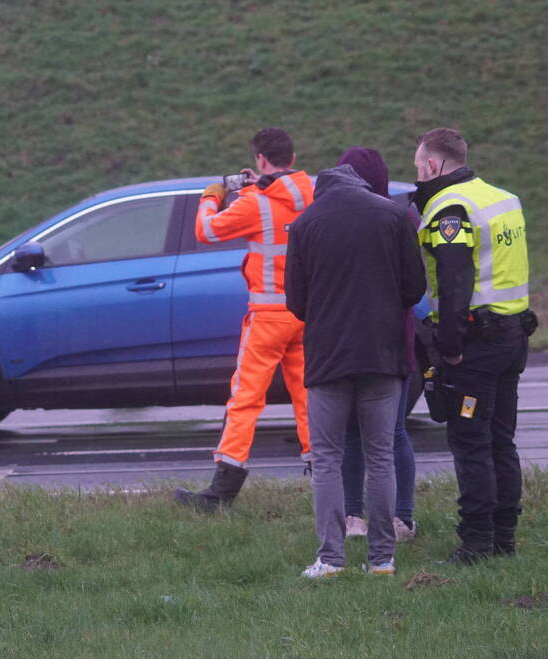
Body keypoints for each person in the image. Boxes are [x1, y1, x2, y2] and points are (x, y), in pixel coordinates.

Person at [285, 162, 426, 578]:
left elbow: (296, 300)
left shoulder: (305, 223)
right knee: (381, 454)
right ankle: (382, 559)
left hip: (328, 356)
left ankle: (331, 559)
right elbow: (414, 289)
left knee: (327, 457)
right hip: (383, 353)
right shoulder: (392, 214)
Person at [174, 128, 314, 511]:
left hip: (268, 317)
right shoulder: (313, 195)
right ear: (293, 158)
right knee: (308, 397)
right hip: (307, 314)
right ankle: (327, 480)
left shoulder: (256, 203)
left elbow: (206, 231)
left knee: (246, 399)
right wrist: (261, 186)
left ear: (261, 160)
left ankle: (222, 491)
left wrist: (211, 196)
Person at [413, 127, 534, 564]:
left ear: (431, 164)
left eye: (418, 167)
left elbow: (454, 278)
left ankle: (477, 543)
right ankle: (505, 539)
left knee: (470, 443)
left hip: (476, 346)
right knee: (502, 441)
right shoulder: (502, 198)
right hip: (514, 335)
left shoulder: (451, 208)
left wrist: (448, 347)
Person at [333, 147, 420, 543]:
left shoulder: (332, 219)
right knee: (393, 433)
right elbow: (413, 288)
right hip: (391, 344)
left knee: (352, 435)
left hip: (343, 343)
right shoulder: (398, 218)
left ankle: (353, 516)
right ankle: (401, 519)